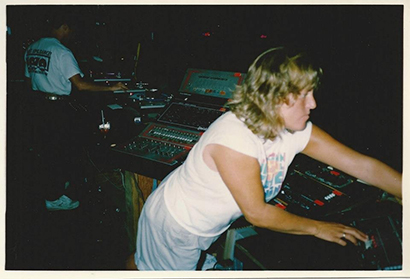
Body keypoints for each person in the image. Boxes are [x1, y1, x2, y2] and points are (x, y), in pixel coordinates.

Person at [130, 47, 402, 270]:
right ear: (273, 97)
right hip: (178, 226)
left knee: (147, 263)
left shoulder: (295, 129)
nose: (313, 104)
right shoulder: (234, 138)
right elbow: (257, 214)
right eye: (304, 95)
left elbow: (362, 166)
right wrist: (318, 228)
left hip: (205, 224)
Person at [24, 11, 128, 211]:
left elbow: (30, 80)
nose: (71, 34)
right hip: (57, 107)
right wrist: (111, 87)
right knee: (62, 150)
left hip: (39, 105)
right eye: (70, 30)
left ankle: (53, 188)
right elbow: (79, 85)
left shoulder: (33, 48)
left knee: (47, 150)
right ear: (64, 27)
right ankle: (55, 198)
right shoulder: (62, 52)